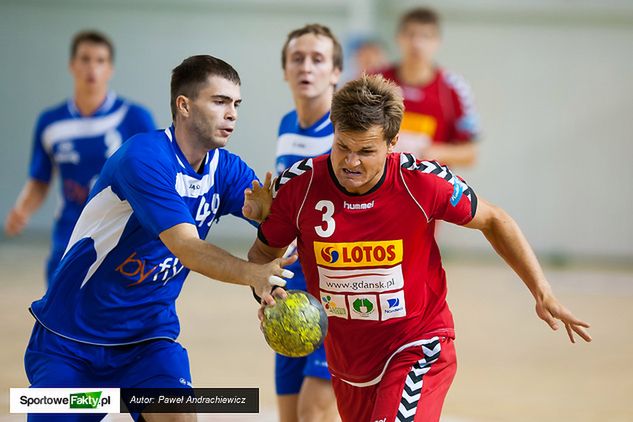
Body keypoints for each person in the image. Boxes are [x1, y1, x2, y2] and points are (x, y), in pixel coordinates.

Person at [248, 74, 591, 422]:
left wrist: (542, 290)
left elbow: (495, 220)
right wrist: (266, 292)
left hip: (418, 344)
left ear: (393, 141)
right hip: (348, 358)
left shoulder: (423, 182)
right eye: (342, 147)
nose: (351, 162)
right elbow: (262, 256)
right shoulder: (298, 185)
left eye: (366, 151)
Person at [24, 55, 295, 422]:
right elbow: (188, 249)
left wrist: (269, 235)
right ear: (184, 105)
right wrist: (252, 274)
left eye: (236, 104)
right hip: (70, 343)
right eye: (220, 101)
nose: (232, 114)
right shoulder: (144, 158)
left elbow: (278, 241)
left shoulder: (227, 169)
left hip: (147, 343)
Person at [4, 30, 156, 285]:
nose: (92, 68)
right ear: (72, 65)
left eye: (100, 60)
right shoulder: (51, 122)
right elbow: (39, 179)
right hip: (69, 235)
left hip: (120, 237)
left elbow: (156, 175)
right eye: (85, 59)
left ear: (110, 69)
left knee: (112, 319)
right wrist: (23, 209)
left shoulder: (135, 118)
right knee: (57, 318)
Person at [273, 24, 341, 422]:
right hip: (291, 288)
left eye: (318, 59)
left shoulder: (344, 132)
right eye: (297, 59)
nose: (307, 67)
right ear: (284, 70)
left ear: (335, 72)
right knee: (289, 415)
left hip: (335, 288)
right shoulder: (286, 125)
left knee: (314, 411)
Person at [377, 7, 478, 167]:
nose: (417, 43)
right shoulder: (375, 81)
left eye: (426, 36)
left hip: (430, 186)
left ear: (438, 42)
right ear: (398, 38)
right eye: (411, 35)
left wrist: (431, 153)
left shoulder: (454, 88)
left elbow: (470, 153)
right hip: (381, 184)